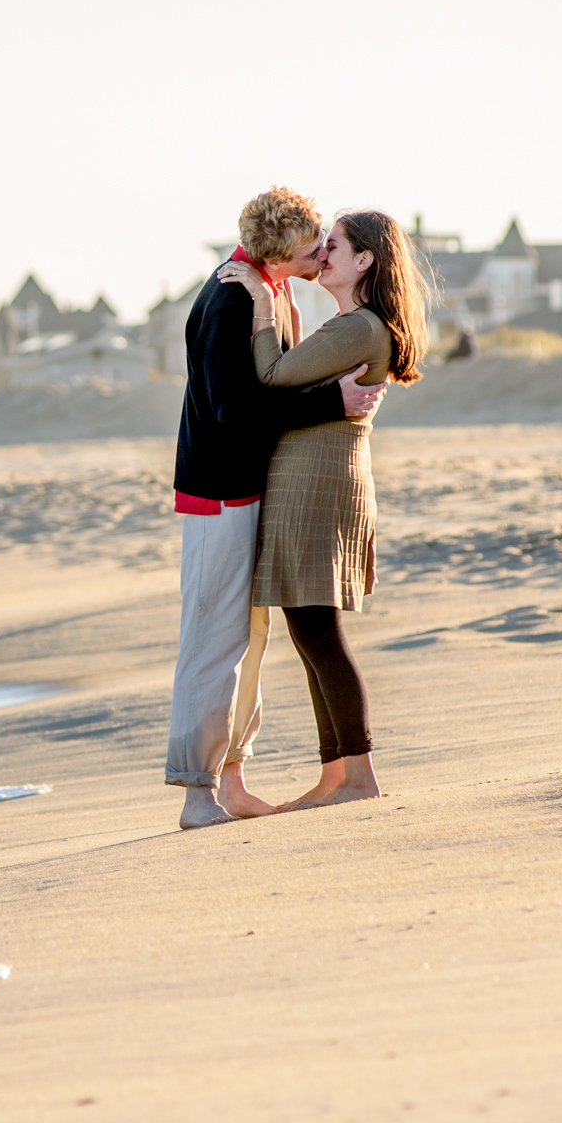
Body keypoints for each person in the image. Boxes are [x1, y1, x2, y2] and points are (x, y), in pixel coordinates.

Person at [167, 189, 386, 829]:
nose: (321, 251)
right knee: (213, 642)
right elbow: (233, 409)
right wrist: (330, 405)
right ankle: (195, 793)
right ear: (281, 248)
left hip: (254, 491)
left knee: (249, 642)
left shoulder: (272, 289)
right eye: (313, 243)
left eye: (328, 243)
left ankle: (230, 781)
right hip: (218, 493)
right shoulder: (233, 295)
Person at [220, 208, 426, 809]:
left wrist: (260, 297)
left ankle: (357, 776)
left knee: (317, 630)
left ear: (364, 260)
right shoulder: (350, 324)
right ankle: (337, 774)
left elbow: (272, 372)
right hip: (319, 482)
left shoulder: (358, 327)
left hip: (318, 487)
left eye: (332, 245)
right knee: (309, 628)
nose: (322, 254)